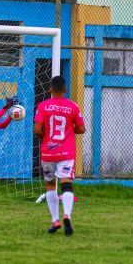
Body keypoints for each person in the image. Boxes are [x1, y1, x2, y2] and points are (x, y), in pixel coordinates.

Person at [33, 76, 85, 236]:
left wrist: (45, 135)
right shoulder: (73, 106)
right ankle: (67, 215)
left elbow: (37, 130)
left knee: (50, 185)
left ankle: (55, 220)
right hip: (66, 152)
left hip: (48, 152)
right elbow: (82, 129)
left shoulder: (43, 106)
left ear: (50, 89)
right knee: (66, 184)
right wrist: (70, 130)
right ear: (65, 90)